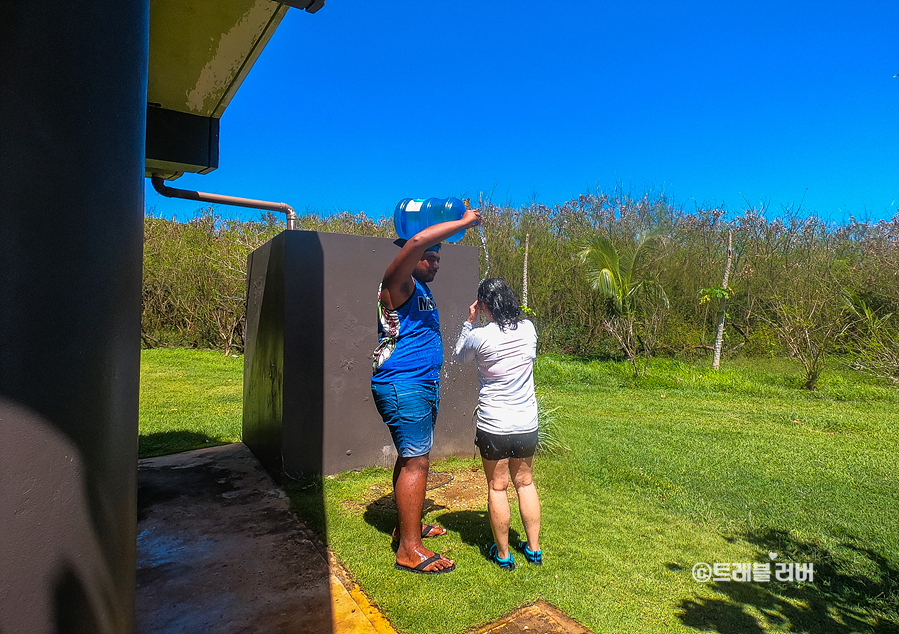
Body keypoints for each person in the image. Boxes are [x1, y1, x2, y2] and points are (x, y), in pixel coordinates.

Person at [371, 206, 481, 575]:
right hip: (404, 384)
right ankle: (409, 550)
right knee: (417, 461)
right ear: (413, 257)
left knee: (411, 458)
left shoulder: (419, 289)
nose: (435, 264)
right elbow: (417, 239)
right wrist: (463, 223)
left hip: (420, 384)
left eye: (438, 259)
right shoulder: (396, 282)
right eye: (429, 258)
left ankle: (408, 529)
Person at [454, 278, 542, 570]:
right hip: (526, 422)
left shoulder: (481, 336)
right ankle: (533, 549)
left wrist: (469, 321)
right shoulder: (529, 329)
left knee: (498, 487)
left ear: (484, 305)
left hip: (494, 424)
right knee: (525, 483)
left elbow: (459, 355)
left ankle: (503, 555)